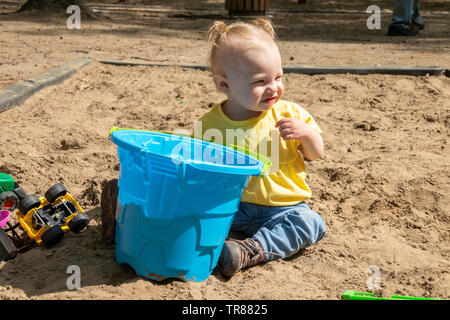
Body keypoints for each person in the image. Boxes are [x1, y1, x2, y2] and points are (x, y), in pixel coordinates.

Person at [196, 18, 326, 277]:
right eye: (259, 82)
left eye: (278, 77)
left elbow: (315, 153)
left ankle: (250, 249)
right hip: (234, 208)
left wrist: (307, 134)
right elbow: (201, 172)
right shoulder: (210, 124)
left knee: (311, 223)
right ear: (224, 85)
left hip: (284, 209)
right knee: (195, 210)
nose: (274, 88)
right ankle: (130, 221)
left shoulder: (291, 114)